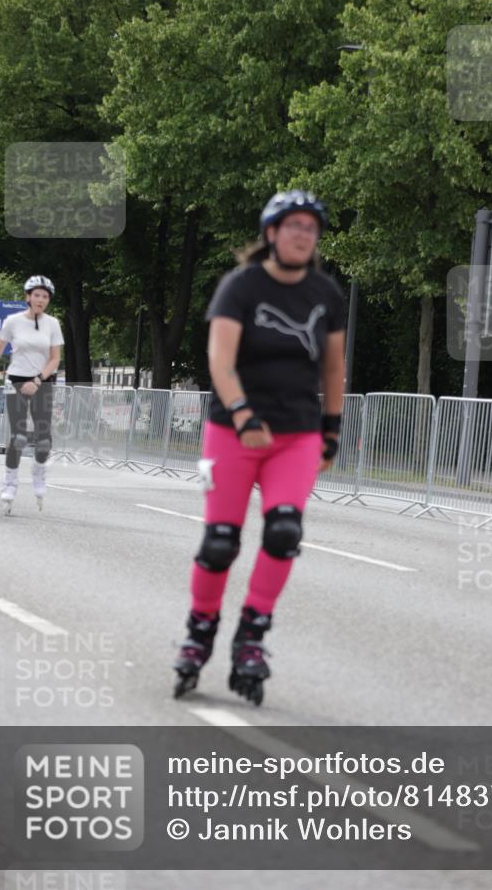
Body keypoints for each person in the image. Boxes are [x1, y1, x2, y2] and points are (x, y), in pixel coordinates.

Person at [173, 190, 346, 705]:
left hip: (296, 435)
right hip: (232, 431)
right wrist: (244, 414)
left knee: (284, 531)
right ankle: (200, 630)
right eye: (292, 226)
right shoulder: (240, 287)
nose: (302, 235)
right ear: (271, 233)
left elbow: (333, 368)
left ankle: (252, 635)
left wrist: (332, 429)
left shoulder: (326, 294)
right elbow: (220, 360)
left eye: (310, 228)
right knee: (220, 541)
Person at [0, 276, 64, 512]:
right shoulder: (13, 321)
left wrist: (37, 380)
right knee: (19, 436)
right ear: (28, 297)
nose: (40, 300)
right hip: (15, 380)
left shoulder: (52, 324)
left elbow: (55, 359)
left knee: (44, 438)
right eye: (36, 295)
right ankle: (10, 481)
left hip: (42, 382)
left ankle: (39, 471)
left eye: (45, 297)